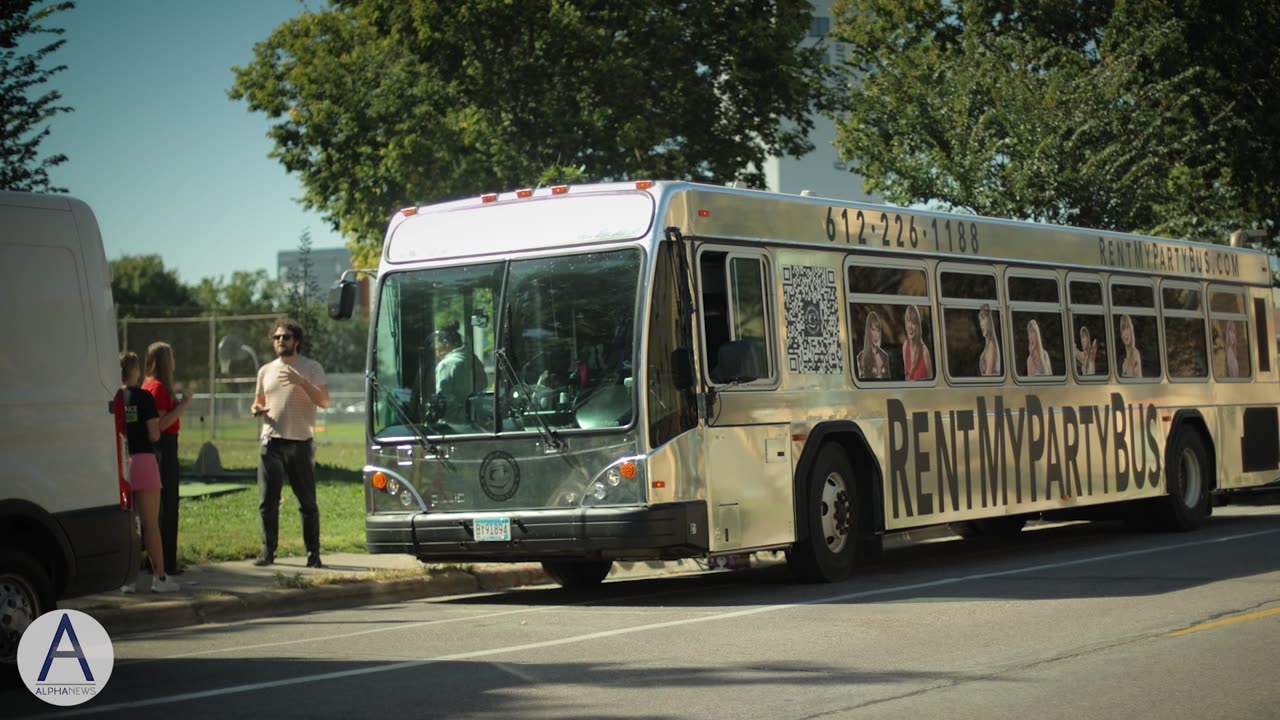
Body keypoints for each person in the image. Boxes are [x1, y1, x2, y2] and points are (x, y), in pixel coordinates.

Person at [251, 319, 330, 568]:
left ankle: (313, 554)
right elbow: (258, 400)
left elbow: (324, 401)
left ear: (296, 341)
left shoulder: (312, 368)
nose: (280, 342)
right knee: (268, 502)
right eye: (276, 338)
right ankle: (267, 552)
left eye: (285, 337)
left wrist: (302, 382)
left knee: (307, 502)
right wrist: (256, 408)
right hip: (271, 443)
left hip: (301, 444)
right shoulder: (265, 371)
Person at [116, 352, 180, 594]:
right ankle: (160, 579)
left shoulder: (115, 398)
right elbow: (154, 434)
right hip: (143, 460)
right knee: (151, 524)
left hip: (121, 462)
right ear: (135, 371)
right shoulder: (143, 396)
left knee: (129, 525)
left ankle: (127, 581)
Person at [142, 341, 192, 577]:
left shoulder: (150, 385)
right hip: (164, 449)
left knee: (156, 510)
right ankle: (166, 564)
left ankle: (153, 561)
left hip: (159, 450)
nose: (174, 362)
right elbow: (160, 425)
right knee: (168, 506)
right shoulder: (158, 388)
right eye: (170, 357)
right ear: (164, 361)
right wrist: (183, 405)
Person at [434, 323, 487, 424]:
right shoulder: (473, 360)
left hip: (454, 425)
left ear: (446, 344)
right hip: (476, 420)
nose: (436, 352)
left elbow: (442, 400)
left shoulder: (447, 365)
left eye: (437, 348)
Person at [902, 305, 933, 381]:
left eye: (913, 323)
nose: (910, 327)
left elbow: (931, 384)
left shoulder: (925, 352)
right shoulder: (905, 346)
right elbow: (906, 379)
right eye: (908, 321)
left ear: (918, 326)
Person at [856, 311, 890, 380]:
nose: (876, 335)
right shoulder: (861, 357)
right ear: (868, 331)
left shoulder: (884, 356)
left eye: (878, 330)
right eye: (873, 330)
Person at [977, 303, 1001, 376]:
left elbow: (989, 378)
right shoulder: (989, 344)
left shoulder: (991, 345)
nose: (981, 324)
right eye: (980, 320)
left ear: (989, 321)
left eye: (983, 319)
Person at [1120, 313, 1142, 378]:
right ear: (1121, 334)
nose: (1126, 332)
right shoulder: (1124, 361)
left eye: (1128, 328)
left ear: (1131, 331)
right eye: (1123, 329)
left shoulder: (1135, 353)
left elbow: (1138, 380)